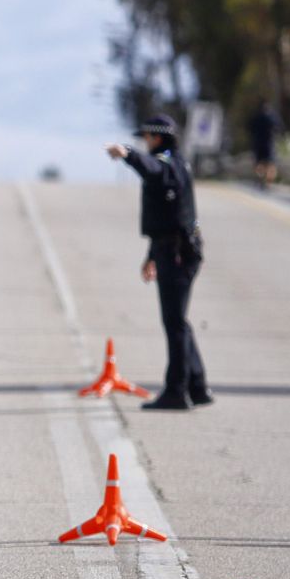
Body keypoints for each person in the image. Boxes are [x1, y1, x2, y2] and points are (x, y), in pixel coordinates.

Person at [105, 113, 211, 410]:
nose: (145, 142)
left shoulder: (167, 163)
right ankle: (197, 385)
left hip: (177, 254)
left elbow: (152, 169)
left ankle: (177, 390)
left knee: (174, 322)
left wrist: (127, 154)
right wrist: (151, 254)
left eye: (147, 137)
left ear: (158, 137)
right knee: (179, 321)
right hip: (171, 249)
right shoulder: (176, 163)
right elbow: (170, 215)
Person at [250, 98, 280, 190]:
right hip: (269, 144)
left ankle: (260, 178)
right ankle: (267, 182)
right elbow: (279, 128)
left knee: (259, 163)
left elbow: (250, 128)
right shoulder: (272, 117)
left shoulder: (256, 117)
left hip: (258, 143)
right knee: (270, 164)